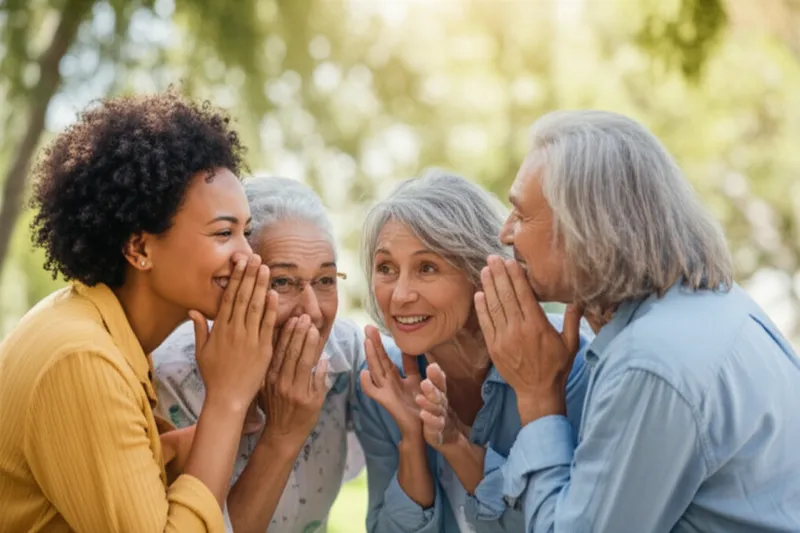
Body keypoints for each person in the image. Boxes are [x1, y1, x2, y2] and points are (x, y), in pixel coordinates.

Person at [479, 110, 800, 532]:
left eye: (521, 215)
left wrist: (538, 397)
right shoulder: (708, 306)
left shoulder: (650, 361)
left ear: (587, 227)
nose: (505, 234)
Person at [0, 90, 281, 533]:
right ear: (140, 247)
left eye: (247, 232)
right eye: (223, 233)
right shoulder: (82, 359)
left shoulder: (106, 335)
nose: (249, 258)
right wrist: (227, 398)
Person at [353, 171, 593, 533]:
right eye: (386, 268)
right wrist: (412, 443)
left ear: (480, 271)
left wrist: (455, 445)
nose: (399, 295)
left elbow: (559, 525)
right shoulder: (382, 384)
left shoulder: (564, 361)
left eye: (427, 268)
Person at [153, 176, 395, 533]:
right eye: (282, 282)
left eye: (325, 280)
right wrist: (283, 434)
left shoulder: (345, 354)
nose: (312, 311)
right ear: (233, 284)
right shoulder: (173, 380)